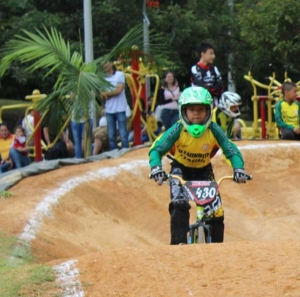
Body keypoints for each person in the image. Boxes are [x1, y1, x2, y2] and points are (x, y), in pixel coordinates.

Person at [148, 86, 249, 245]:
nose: (196, 113)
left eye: (201, 109)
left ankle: (217, 250)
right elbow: (157, 149)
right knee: (178, 205)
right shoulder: (178, 129)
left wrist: (239, 169)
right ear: (183, 111)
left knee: (216, 214)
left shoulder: (214, 129)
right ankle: (177, 248)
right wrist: (156, 168)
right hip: (180, 169)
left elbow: (231, 150)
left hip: (204, 170)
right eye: (192, 109)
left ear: (209, 111)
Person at [101, 61, 130, 151]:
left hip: (120, 108)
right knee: (111, 135)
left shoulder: (119, 74)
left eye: (106, 63)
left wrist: (108, 94)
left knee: (123, 134)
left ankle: (125, 152)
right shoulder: (103, 78)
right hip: (109, 110)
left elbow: (119, 90)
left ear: (110, 64)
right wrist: (111, 93)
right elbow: (101, 94)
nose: (105, 65)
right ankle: (114, 153)